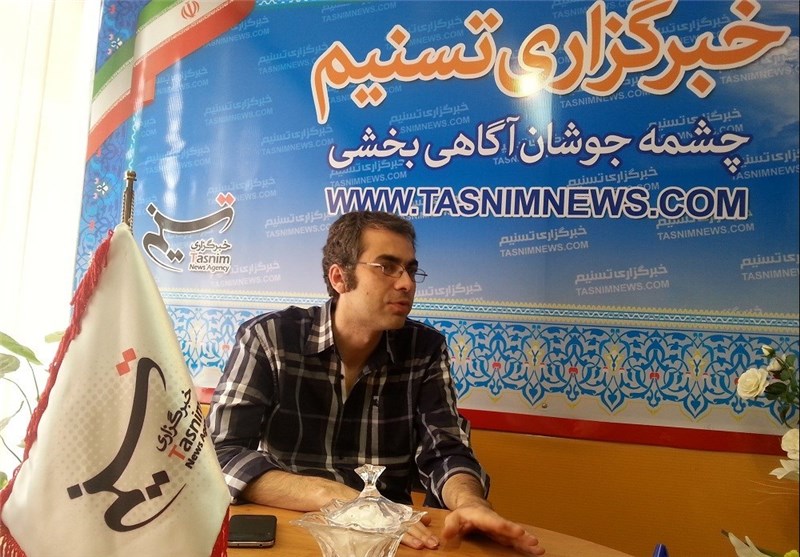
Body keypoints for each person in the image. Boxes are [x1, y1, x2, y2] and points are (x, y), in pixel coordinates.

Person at [207, 210, 544, 555]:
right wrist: (335, 496)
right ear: (340, 278)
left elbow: (445, 451)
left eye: (410, 269)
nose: (407, 283)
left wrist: (470, 503)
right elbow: (217, 455)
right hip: (292, 529)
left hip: (386, 540)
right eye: (387, 267)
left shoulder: (424, 349)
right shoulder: (269, 338)